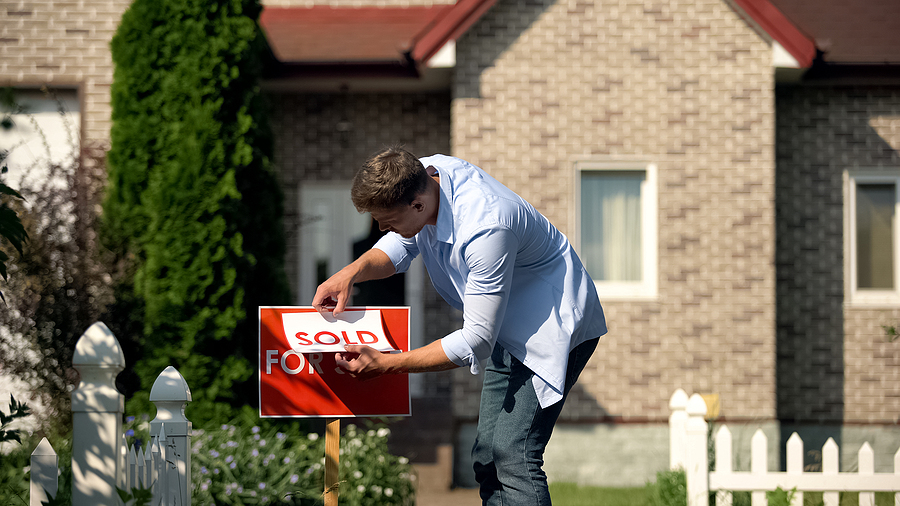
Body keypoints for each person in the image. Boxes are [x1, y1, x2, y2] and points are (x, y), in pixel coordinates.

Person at [312, 146, 607, 506]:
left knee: (513, 454)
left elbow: (475, 341)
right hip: (505, 324)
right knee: (487, 456)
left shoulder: (486, 226)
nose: (379, 227)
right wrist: (350, 272)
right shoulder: (422, 176)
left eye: (385, 218)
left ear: (418, 205)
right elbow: (398, 244)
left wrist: (389, 363)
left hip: (552, 325)